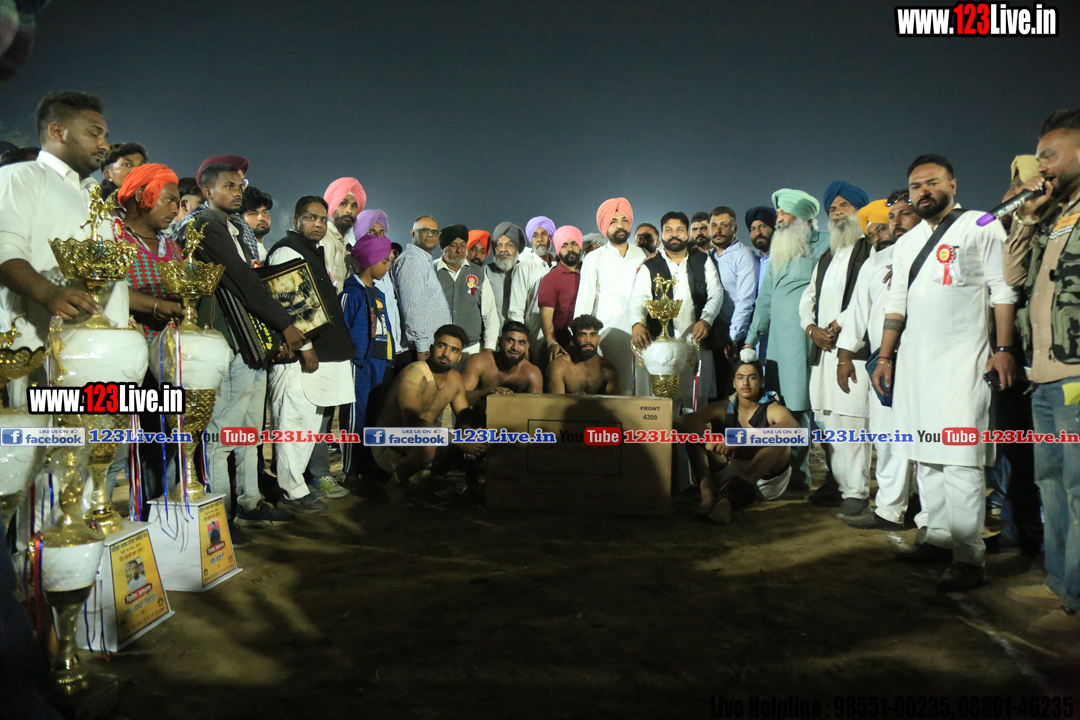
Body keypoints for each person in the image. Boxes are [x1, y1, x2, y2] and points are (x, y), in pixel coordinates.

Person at [871, 154, 1017, 593]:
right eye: (916, 186)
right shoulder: (906, 243)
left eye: (932, 182)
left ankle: (969, 556)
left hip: (964, 362)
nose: (923, 191)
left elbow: (1002, 289)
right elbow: (897, 304)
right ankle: (936, 537)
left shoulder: (980, 224)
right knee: (925, 455)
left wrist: (1004, 349)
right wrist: (885, 357)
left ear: (953, 185)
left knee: (960, 459)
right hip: (915, 364)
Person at [190, 162, 304, 538]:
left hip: (250, 342)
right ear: (207, 191)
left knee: (249, 432)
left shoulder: (235, 229)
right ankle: (219, 517)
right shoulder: (205, 225)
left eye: (240, 186)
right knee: (223, 433)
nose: (237, 191)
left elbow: (254, 279)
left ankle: (249, 504)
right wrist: (285, 324)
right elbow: (243, 280)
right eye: (229, 185)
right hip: (228, 337)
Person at [1002, 109, 1080, 636]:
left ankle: (1075, 591)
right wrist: (1028, 218)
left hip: (1078, 374)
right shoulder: (1055, 216)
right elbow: (1010, 276)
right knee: (1051, 479)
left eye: (1049, 155)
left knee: (1077, 485)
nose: (1041, 166)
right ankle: (1060, 578)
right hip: (1045, 375)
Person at [105, 163, 189, 516]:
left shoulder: (172, 247)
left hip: (165, 362)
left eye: (178, 202)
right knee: (114, 450)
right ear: (143, 196)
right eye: (168, 199)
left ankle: (158, 522)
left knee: (162, 445)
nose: (175, 208)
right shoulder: (112, 236)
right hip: (122, 360)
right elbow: (109, 289)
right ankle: (97, 526)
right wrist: (157, 306)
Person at [266, 196, 356, 511]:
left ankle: (297, 486)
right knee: (294, 423)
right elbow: (289, 303)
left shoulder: (310, 251)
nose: (317, 224)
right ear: (296, 220)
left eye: (321, 219)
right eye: (310, 217)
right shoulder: (287, 251)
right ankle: (291, 492)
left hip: (320, 354)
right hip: (300, 357)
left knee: (309, 425)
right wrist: (305, 347)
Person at [836, 191, 919, 531]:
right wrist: (844, 357)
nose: (878, 235)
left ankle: (928, 515)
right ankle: (889, 510)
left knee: (924, 436)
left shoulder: (927, 252)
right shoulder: (872, 264)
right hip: (882, 362)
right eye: (872, 233)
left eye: (882, 227)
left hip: (921, 358)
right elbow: (857, 313)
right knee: (886, 435)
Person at [742, 189, 829, 492]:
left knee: (810, 410)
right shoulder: (780, 249)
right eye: (777, 213)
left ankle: (833, 479)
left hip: (807, 343)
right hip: (778, 346)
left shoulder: (826, 245)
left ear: (803, 217)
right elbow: (765, 299)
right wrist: (750, 340)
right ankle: (795, 476)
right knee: (787, 409)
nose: (778, 219)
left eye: (784, 213)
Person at [799, 181, 873, 514]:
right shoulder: (827, 256)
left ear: (860, 210)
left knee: (852, 419)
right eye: (833, 208)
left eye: (845, 205)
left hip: (852, 351)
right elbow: (808, 298)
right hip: (823, 350)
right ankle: (841, 486)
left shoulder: (870, 250)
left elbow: (866, 297)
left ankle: (856, 491)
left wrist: (837, 325)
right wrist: (811, 328)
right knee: (827, 419)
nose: (838, 212)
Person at [675, 361, 799, 524]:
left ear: (761, 382)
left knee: (781, 439)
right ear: (734, 383)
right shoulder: (724, 406)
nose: (745, 383)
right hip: (729, 472)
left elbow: (793, 428)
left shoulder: (772, 408)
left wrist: (739, 439)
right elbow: (683, 421)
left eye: (752, 377)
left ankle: (728, 501)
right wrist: (711, 439)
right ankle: (706, 492)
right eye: (740, 378)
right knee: (694, 437)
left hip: (764, 481)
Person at [372, 324, 486, 498]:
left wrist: (473, 439)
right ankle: (393, 484)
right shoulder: (414, 374)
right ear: (431, 349)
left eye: (454, 350)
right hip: (388, 443)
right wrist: (457, 440)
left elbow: (464, 416)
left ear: (458, 357)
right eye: (442, 346)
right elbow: (412, 422)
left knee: (471, 435)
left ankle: (421, 475)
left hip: (423, 440)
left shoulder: (455, 379)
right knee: (429, 445)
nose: (446, 353)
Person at [629, 211, 722, 408]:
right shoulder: (649, 266)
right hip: (660, 346)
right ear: (662, 235)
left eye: (679, 230)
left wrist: (706, 320)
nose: (674, 234)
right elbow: (638, 300)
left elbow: (716, 293)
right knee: (661, 403)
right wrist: (637, 324)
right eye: (668, 230)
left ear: (687, 234)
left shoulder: (703, 260)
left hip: (695, 340)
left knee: (695, 401)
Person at [340, 233, 396, 491]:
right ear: (370, 261)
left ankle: (371, 468)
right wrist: (351, 359)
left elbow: (385, 329)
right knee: (355, 417)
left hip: (379, 363)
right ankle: (351, 473)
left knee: (375, 417)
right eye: (384, 261)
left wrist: (388, 359)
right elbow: (342, 331)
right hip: (359, 365)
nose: (388, 266)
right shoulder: (351, 294)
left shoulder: (379, 293)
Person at [574, 198, 647, 395]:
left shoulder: (642, 255)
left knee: (641, 391)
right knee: (613, 391)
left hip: (641, 334)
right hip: (608, 336)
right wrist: (582, 339)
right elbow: (584, 303)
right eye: (613, 221)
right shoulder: (594, 258)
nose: (620, 225)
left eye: (624, 220)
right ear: (604, 226)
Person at [707, 205, 759, 399]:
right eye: (714, 225)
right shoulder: (708, 256)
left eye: (724, 225)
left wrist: (734, 338)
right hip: (712, 335)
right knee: (713, 394)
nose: (718, 230)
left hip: (735, 336)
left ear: (735, 228)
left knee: (736, 394)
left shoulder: (744, 255)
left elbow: (746, 299)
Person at [433, 224, 499, 363]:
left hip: (471, 348)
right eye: (453, 245)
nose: (459, 250)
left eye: (463, 245)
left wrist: (489, 348)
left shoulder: (478, 273)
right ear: (443, 247)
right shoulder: (431, 271)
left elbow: (490, 313)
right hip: (438, 348)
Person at [393, 215, 453, 363]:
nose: (430, 235)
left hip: (429, 347)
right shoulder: (412, 261)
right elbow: (413, 308)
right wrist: (422, 347)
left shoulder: (423, 261)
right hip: (420, 351)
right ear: (413, 233)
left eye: (435, 232)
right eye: (424, 230)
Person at [461, 320, 543, 407]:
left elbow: (536, 408)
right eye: (510, 340)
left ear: (527, 346)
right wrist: (484, 393)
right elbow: (459, 396)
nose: (515, 347)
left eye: (521, 343)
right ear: (499, 342)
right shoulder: (478, 362)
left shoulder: (532, 374)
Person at [509, 216, 556, 363]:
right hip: (534, 341)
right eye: (535, 235)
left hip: (559, 339)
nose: (539, 239)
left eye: (544, 234)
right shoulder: (523, 268)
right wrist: (521, 344)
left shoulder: (559, 266)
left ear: (551, 237)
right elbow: (516, 311)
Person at [538, 225, 583, 360]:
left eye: (574, 244)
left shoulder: (590, 272)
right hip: (563, 347)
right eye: (564, 245)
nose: (570, 249)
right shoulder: (551, 279)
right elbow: (546, 315)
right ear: (558, 249)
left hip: (591, 344)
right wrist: (552, 342)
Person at [546, 314, 620, 394]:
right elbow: (556, 401)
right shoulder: (559, 366)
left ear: (598, 339)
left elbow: (615, 401)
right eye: (582, 335)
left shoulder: (608, 370)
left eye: (593, 334)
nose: (588, 340)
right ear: (573, 339)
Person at [320, 177, 366, 292]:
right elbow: (323, 284)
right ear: (333, 206)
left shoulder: (344, 243)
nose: (349, 210)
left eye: (354, 206)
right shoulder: (325, 237)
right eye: (343, 204)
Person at [744, 206, 776, 365]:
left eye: (763, 226)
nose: (758, 233)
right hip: (753, 335)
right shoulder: (752, 260)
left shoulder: (783, 259)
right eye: (753, 229)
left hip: (776, 333)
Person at [486, 222, 525, 330]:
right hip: (492, 337)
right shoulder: (485, 272)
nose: (503, 250)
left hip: (523, 336)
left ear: (517, 249)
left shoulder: (527, 272)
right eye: (499, 245)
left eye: (509, 245)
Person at [240, 185, 273, 263]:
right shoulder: (241, 251)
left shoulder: (266, 251)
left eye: (265, 212)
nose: (261, 218)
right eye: (253, 214)